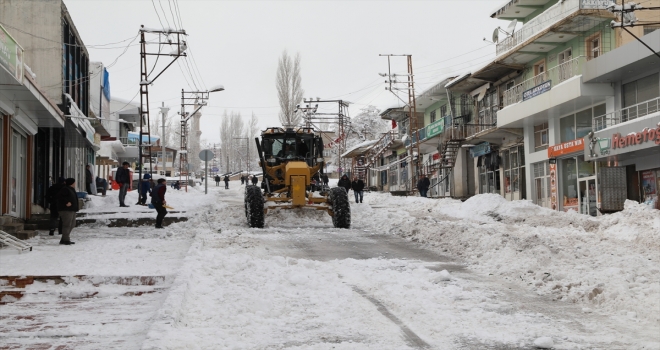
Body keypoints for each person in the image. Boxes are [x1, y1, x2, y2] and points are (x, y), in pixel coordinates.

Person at [56, 178, 79, 245]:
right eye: (74, 182)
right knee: (67, 225)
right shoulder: (65, 189)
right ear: (71, 183)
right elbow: (59, 197)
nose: (75, 184)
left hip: (72, 209)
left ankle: (64, 239)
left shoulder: (71, 189)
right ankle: (66, 239)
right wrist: (66, 202)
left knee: (72, 224)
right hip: (66, 210)